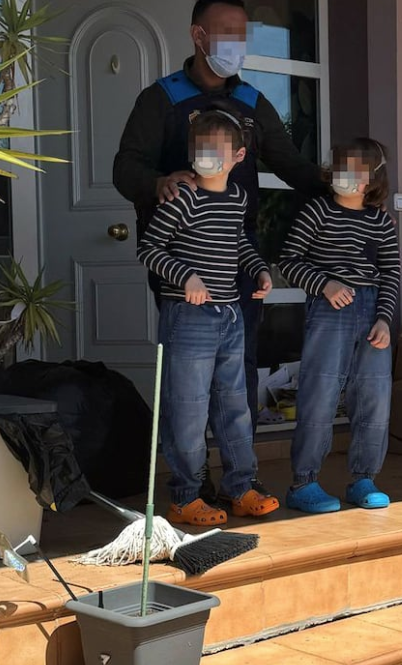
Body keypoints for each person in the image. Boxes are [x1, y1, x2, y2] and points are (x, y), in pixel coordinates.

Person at [113, 0, 328, 499]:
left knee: (237, 374)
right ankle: (190, 485)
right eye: (226, 32)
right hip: (180, 258)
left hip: (238, 251)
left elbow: (291, 165)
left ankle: (240, 481)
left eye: (241, 33)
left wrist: (345, 192)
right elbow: (125, 167)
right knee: (189, 382)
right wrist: (158, 182)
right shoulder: (161, 99)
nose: (236, 42)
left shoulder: (252, 102)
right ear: (199, 35)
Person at [136, 108, 280, 525]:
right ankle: (185, 497)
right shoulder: (181, 198)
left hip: (230, 315)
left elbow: (238, 243)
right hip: (189, 318)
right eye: (201, 149)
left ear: (238, 156)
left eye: (217, 150)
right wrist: (186, 277)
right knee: (188, 409)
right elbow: (149, 249)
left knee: (234, 407)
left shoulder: (237, 198)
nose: (207, 156)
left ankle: (240, 487)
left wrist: (260, 268)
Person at [278, 138, 401, 513]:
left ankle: (364, 478)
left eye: (354, 170)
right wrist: (324, 284)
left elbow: (390, 273)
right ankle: (304, 482)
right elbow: (289, 260)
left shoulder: (381, 221)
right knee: (320, 395)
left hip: (372, 313)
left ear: (372, 178)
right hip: (329, 310)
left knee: (374, 398)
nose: (343, 175)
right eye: (339, 167)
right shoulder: (317, 211)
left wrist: (384, 319)